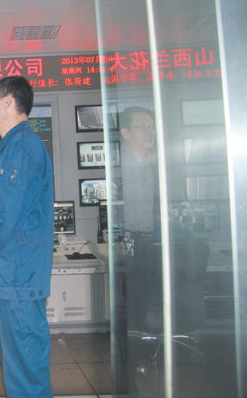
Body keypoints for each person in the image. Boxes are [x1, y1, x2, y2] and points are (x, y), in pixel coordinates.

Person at [0, 76, 54, 398]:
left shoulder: (22, 146)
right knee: (22, 362)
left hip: (19, 276)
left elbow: (6, 214)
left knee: (26, 367)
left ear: (8, 102)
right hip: (16, 272)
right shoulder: (18, 146)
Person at [111, 106, 157, 396]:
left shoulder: (146, 163)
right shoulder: (120, 167)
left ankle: (131, 378)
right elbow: (113, 211)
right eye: (143, 126)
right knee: (132, 316)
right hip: (130, 246)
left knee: (139, 313)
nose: (150, 131)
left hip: (145, 244)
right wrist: (120, 246)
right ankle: (127, 383)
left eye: (151, 126)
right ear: (126, 132)